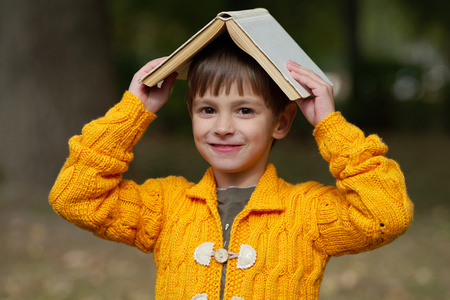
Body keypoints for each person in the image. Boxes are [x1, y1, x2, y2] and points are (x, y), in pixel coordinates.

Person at [49, 34, 413, 300]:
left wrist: (329, 124)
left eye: (245, 110)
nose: (222, 127)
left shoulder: (308, 213)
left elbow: (387, 214)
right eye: (207, 109)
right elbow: (74, 197)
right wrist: (133, 111)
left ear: (281, 122)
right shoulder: (165, 206)